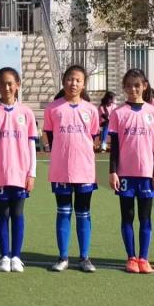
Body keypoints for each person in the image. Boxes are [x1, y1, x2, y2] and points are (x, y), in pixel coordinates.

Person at [44, 65, 100, 273]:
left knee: (83, 212)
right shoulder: (53, 108)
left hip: (84, 169)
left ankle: (84, 257)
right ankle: (63, 256)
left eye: (78, 80)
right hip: (61, 169)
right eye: (69, 79)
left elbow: (93, 138)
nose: (73, 83)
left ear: (84, 84)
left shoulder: (91, 110)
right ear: (63, 81)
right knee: (63, 211)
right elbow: (50, 136)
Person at [108, 68, 154, 274]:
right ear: (124, 87)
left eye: (137, 85)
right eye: (129, 86)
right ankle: (131, 257)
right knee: (128, 216)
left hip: (146, 174)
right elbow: (114, 146)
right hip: (125, 174)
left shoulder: (153, 112)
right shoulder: (118, 113)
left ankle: (144, 257)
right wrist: (113, 171)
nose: (133, 89)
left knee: (145, 217)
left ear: (144, 86)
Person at [0, 67, 37, 272]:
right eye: (2, 84)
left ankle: (16, 256)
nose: (6, 87)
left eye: (10, 83)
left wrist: (32, 173)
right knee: (2, 213)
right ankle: (4, 255)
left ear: (17, 85)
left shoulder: (26, 113)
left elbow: (31, 145)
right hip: (0, 174)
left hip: (21, 174)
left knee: (18, 214)